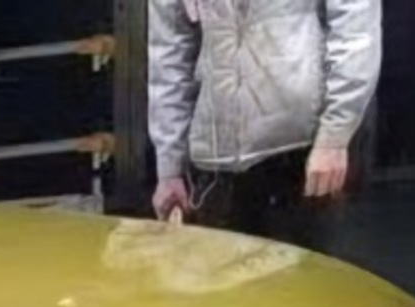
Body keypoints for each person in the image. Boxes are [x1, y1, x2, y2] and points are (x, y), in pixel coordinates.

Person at [148, 0, 381, 249]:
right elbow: (170, 53)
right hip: (218, 158)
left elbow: (355, 28)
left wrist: (334, 137)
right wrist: (170, 168)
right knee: (224, 272)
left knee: (308, 270)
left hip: (304, 151)